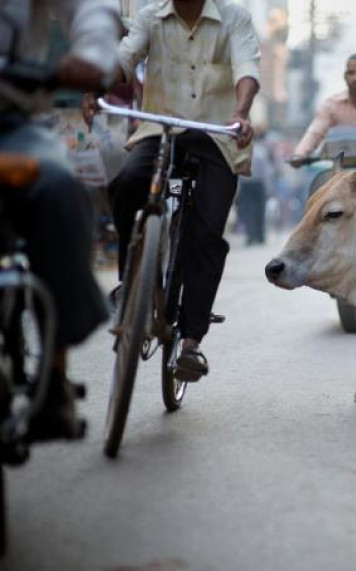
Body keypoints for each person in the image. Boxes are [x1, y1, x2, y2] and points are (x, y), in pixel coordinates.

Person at [83, 0, 261, 381]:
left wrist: (241, 111)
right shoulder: (151, 17)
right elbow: (126, 58)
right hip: (160, 129)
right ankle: (133, 280)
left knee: (207, 233)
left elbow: (247, 67)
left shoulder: (235, 18)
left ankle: (192, 342)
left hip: (217, 137)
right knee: (128, 182)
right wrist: (95, 85)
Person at [0, 0, 119, 439]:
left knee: (60, 188)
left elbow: (91, 8)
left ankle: (53, 374)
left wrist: (91, 53)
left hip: (10, 124)